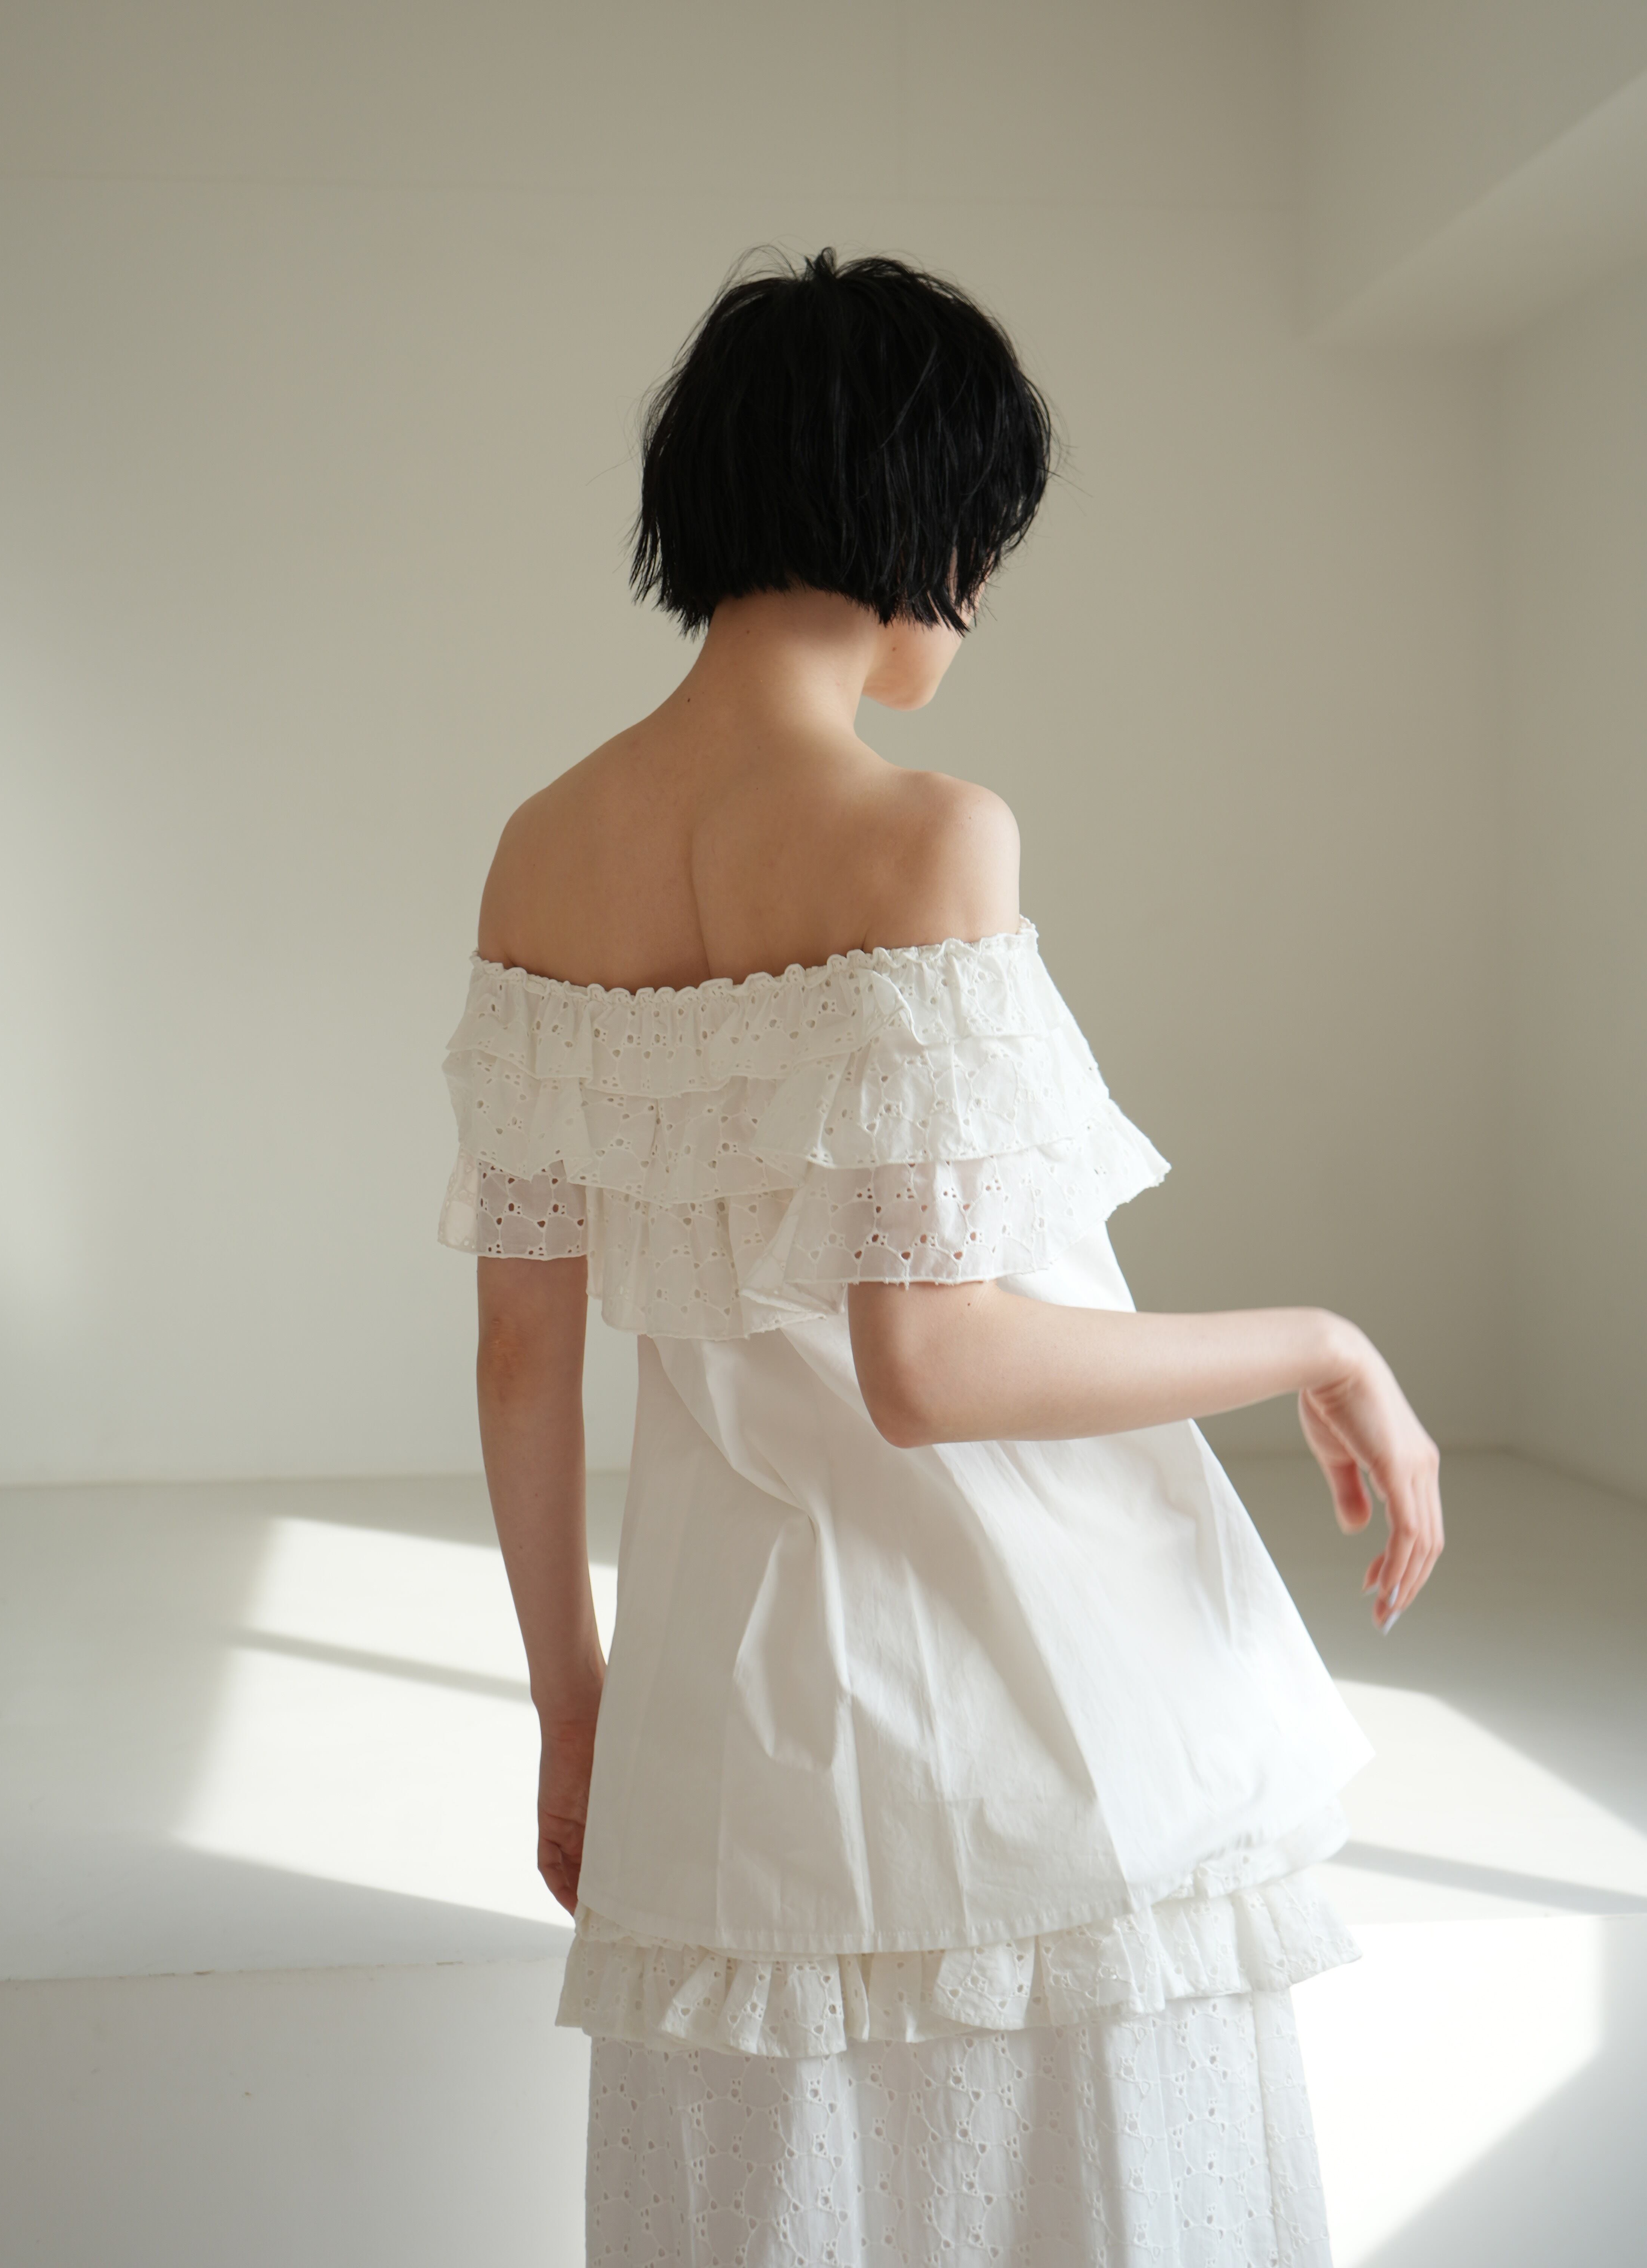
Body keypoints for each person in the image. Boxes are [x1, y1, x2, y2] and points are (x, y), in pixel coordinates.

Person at [440, 248, 1443, 2268]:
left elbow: (524, 1355)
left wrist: (576, 1710)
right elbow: (939, 1365)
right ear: (920, 523)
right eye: (985, 537)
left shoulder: (541, 851)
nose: (979, 593)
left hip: (730, 1726)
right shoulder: (927, 835)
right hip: (1021, 1698)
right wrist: (1325, 1341)